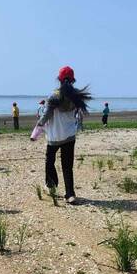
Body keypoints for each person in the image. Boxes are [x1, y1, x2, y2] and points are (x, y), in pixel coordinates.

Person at [31, 65, 91, 205]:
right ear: (73, 80)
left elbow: (46, 115)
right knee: (67, 165)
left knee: (49, 160)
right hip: (70, 135)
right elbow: (77, 114)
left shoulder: (54, 95)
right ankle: (70, 194)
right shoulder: (76, 96)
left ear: (59, 79)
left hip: (54, 136)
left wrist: (37, 129)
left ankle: (51, 185)